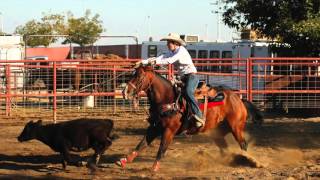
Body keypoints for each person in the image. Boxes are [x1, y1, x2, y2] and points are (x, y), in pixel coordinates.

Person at [140, 33, 204, 128]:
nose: (167, 44)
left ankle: (199, 115)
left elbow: (169, 60)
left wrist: (153, 62)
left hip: (191, 76)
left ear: (175, 43)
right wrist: (143, 62)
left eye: (168, 42)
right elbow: (161, 57)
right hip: (183, 78)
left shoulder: (181, 51)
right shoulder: (173, 52)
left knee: (188, 92)